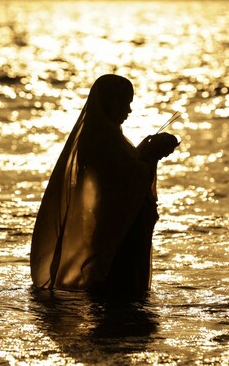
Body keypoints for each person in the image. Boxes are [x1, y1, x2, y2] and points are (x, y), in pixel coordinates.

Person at [30, 74, 178, 294]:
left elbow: (125, 170)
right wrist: (151, 154)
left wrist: (145, 153)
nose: (128, 110)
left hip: (121, 224)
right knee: (117, 293)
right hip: (116, 226)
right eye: (125, 103)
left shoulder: (109, 137)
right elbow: (119, 179)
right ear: (110, 102)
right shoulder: (101, 139)